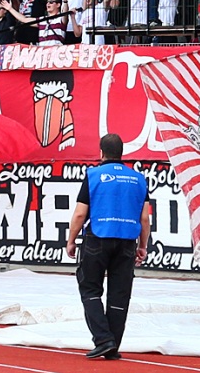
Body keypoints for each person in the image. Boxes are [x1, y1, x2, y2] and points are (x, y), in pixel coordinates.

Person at [64, 132, 153, 360]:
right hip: (127, 242)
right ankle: (112, 344)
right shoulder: (138, 179)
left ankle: (103, 339)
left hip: (98, 238)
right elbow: (144, 218)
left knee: (90, 288)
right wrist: (143, 245)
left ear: (101, 152)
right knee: (119, 294)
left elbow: (80, 213)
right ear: (122, 153)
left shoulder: (93, 175)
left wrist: (71, 239)